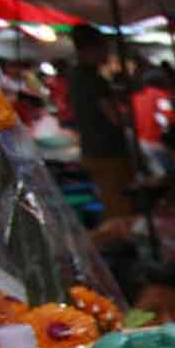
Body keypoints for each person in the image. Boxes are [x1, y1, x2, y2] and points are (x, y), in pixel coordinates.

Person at [67, 24, 134, 218]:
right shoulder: (95, 81)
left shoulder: (75, 76)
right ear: (90, 49)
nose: (107, 53)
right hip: (108, 153)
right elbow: (114, 118)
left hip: (91, 151)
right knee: (120, 211)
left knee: (111, 204)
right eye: (104, 48)